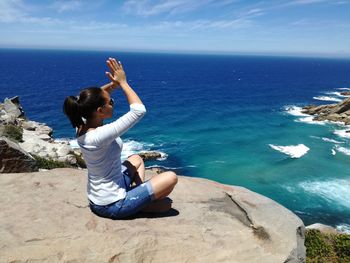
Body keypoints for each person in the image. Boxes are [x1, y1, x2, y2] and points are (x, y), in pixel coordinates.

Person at [63, 57, 178, 219]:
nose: (113, 103)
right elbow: (138, 111)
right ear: (100, 111)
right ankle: (138, 201)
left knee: (136, 158)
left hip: (104, 194)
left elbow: (86, 102)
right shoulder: (99, 136)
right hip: (112, 204)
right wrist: (123, 83)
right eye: (111, 103)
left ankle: (139, 195)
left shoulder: (81, 124)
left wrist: (111, 86)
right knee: (169, 187)